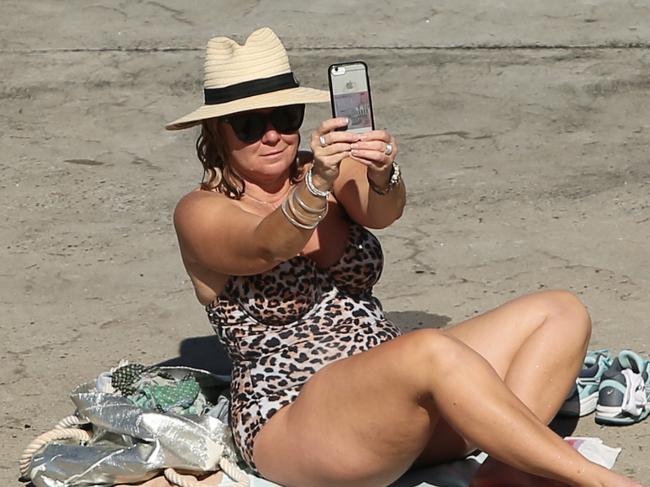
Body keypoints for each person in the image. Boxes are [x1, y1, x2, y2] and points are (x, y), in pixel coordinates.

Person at [167, 27, 644, 487]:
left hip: (397, 403)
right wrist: (316, 187)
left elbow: (383, 213)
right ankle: (600, 483)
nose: (272, 136)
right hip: (299, 422)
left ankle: (507, 468)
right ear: (217, 132)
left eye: (285, 117)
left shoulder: (321, 169)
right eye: (250, 125)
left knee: (559, 311)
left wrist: (382, 172)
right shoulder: (202, 212)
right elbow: (268, 244)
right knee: (428, 350)